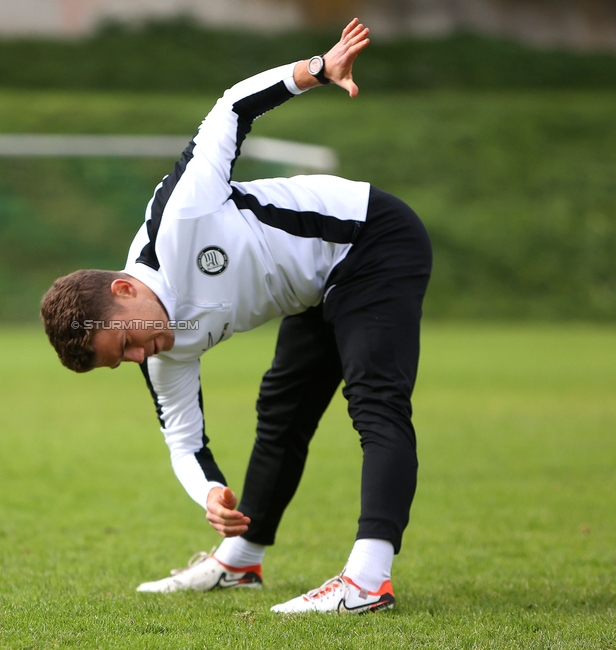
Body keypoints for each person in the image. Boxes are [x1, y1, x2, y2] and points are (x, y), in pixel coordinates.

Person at [40, 18, 432, 614]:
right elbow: (183, 441)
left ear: (123, 290)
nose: (139, 358)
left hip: (371, 240)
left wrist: (317, 70)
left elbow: (231, 107)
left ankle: (368, 580)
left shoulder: (182, 219)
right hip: (316, 287)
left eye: (124, 344)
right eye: (120, 362)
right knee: (282, 409)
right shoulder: (159, 350)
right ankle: (240, 561)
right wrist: (211, 494)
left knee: (375, 401)